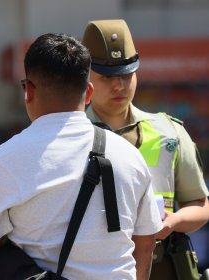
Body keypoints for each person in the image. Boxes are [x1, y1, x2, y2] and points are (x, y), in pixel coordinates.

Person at [0, 33, 162, 280]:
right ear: (89, 92)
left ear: (28, 90)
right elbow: (145, 243)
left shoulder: (5, 159)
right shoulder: (130, 156)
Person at [82, 19, 209, 279]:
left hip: (162, 267)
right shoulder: (71, 135)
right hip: (93, 269)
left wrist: (172, 222)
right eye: (106, 77)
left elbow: (200, 204)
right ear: (85, 78)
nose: (118, 86)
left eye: (126, 74)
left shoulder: (169, 132)